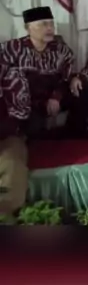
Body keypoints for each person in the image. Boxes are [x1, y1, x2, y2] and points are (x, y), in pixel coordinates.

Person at [0, 6, 74, 137]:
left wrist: (56, 97)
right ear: (28, 28)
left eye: (51, 24)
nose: (50, 28)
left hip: (48, 100)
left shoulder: (61, 50)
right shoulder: (12, 48)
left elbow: (66, 77)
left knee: (80, 89)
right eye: (43, 24)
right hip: (19, 105)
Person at [0, 65, 30, 215]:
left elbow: (15, 119)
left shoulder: (10, 74)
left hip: (5, 139)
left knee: (12, 162)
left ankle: (5, 215)